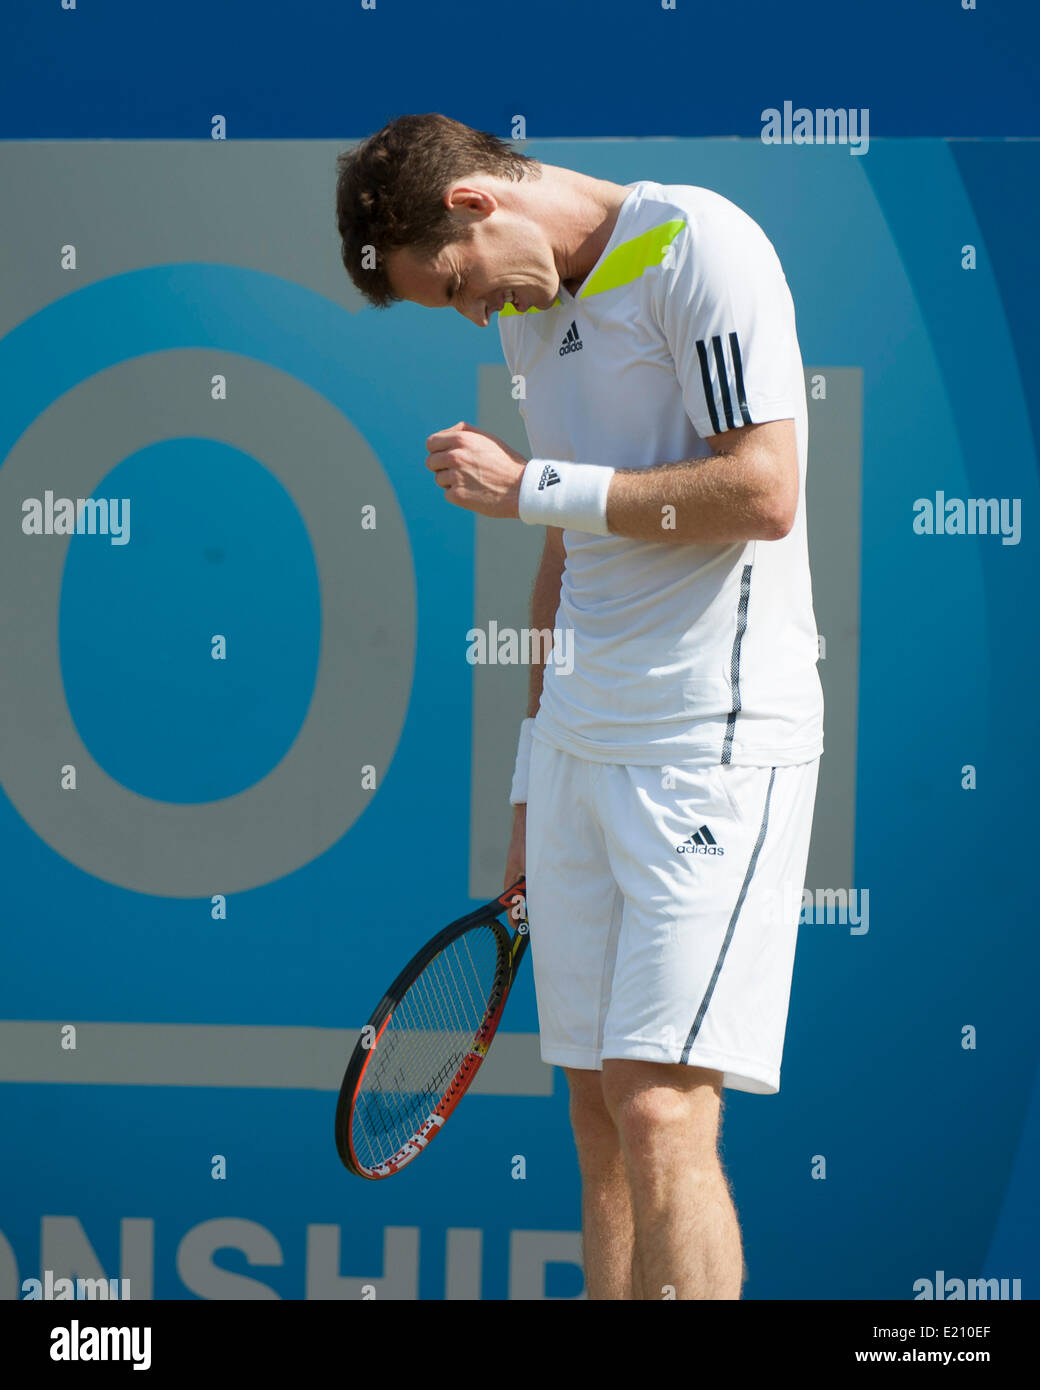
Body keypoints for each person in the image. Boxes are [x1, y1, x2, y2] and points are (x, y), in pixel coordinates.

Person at [336, 113, 824, 1301]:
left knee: (660, 1106)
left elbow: (761, 491)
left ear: (470, 206)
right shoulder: (526, 315)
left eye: (451, 285)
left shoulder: (696, 244)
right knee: (596, 1111)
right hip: (575, 750)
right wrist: (528, 776)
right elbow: (566, 552)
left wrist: (532, 486)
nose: (468, 313)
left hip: (708, 741)